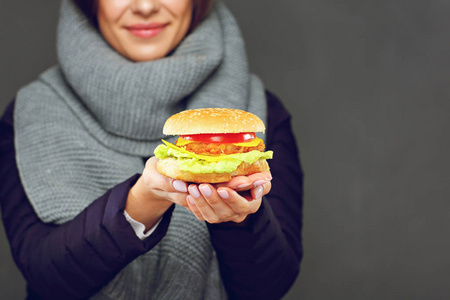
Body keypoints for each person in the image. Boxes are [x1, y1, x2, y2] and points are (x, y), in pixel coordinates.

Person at [0, 0, 303, 299]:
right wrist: (141, 201)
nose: (145, 6)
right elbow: (45, 278)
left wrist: (241, 218)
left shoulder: (260, 112)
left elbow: (269, 286)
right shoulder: (30, 113)